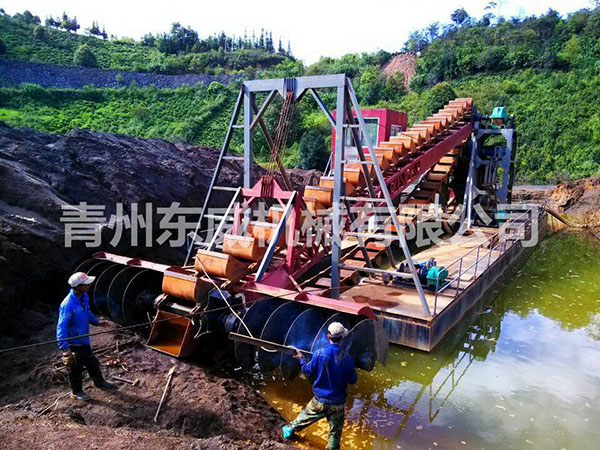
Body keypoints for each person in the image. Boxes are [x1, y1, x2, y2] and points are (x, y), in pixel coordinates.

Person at [282, 322, 357, 450]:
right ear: (342, 338)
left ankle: (289, 431)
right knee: (334, 434)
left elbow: (308, 370)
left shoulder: (319, 353)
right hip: (338, 403)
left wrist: (301, 358)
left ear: (328, 336)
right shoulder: (348, 359)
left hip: (320, 400)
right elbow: (353, 380)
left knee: (305, 418)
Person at [57, 271, 117, 401]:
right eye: (86, 284)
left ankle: (99, 382)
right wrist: (65, 348)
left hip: (84, 340)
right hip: (74, 343)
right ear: (78, 287)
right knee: (75, 368)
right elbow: (61, 327)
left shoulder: (83, 297)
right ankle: (76, 392)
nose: (89, 285)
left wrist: (96, 322)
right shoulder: (67, 305)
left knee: (92, 362)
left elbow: (86, 311)